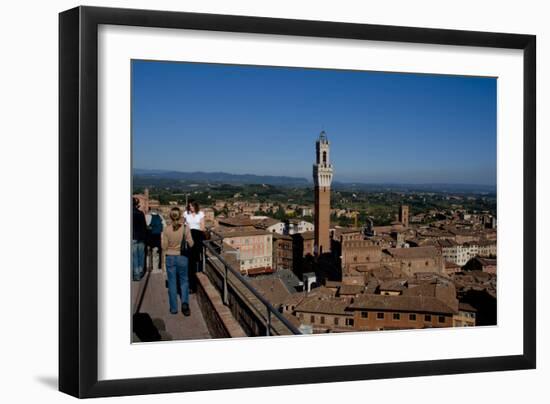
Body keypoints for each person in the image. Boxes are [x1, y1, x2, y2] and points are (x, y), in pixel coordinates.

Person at [162, 207, 194, 316]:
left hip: (170, 257)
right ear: (180, 216)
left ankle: (173, 308)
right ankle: (185, 305)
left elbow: (163, 246)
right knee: (184, 281)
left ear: (170, 216)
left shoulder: (166, 229)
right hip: (182, 258)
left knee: (171, 283)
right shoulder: (185, 228)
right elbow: (191, 244)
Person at [183, 200, 205, 293]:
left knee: (198, 260)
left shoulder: (201, 214)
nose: (190, 208)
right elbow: (185, 226)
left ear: (196, 206)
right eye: (189, 206)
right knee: (190, 262)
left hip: (198, 238)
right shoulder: (185, 214)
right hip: (189, 238)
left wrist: (196, 233)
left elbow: (202, 227)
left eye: (192, 206)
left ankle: (197, 282)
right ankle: (192, 286)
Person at [132, 197, 147, 281]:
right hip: (141, 237)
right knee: (141, 255)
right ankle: (141, 272)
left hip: (133, 237)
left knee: (134, 256)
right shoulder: (141, 213)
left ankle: (136, 274)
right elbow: (144, 226)